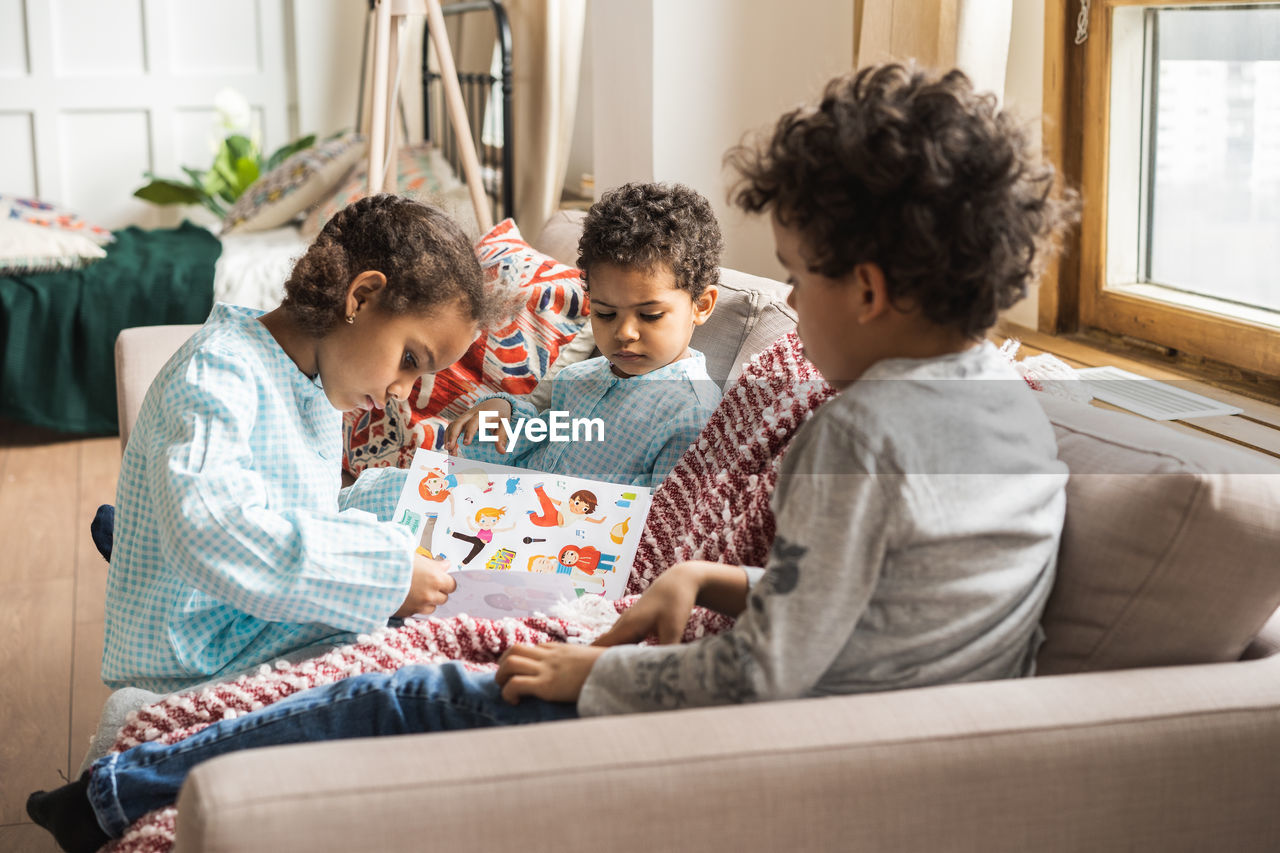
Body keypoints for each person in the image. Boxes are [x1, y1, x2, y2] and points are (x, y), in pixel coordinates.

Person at [29, 64, 1079, 853]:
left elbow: (772, 673)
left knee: (408, 693)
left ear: (869, 285)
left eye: (798, 278)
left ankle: (120, 790)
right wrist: (714, 576)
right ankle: (152, 562)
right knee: (349, 550)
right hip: (877, 722)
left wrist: (591, 670)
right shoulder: (1007, 414)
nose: (790, 304)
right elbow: (882, 612)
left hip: (787, 739)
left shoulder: (855, 434)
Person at [99, 194, 502, 694]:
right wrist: (387, 576)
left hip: (247, 628)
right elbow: (213, 528)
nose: (402, 393)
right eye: (409, 360)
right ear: (360, 298)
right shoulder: (218, 371)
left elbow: (304, 508)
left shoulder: (313, 381)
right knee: (428, 674)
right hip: (198, 659)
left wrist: (424, 493)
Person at [444, 181, 724, 488]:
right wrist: (507, 411)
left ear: (702, 305)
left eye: (649, 315)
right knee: (401, 483)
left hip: (571, 528)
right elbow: (546, 434)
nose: (625, 332)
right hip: (509, 495)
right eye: (605, 314)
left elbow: (665, 517)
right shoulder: (577, 378)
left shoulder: (692, 414)